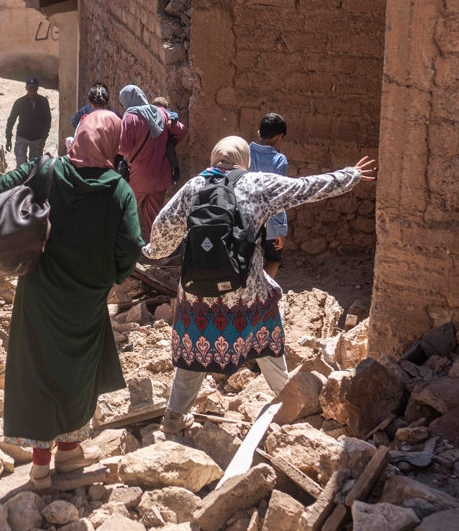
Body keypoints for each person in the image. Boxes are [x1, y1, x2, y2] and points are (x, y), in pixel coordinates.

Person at [143, 136, 376, 434]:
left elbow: (161, 238)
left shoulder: (193, 187)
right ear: (244, 159)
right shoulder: (258, 185)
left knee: (192, 356)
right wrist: (350, 175)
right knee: (267, 342)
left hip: (197, 294)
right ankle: (294, 406)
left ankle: (174, 418)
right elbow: (307, 188)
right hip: (246, 291)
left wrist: (149, 252)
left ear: (215, 157)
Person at [0, 110, 145, 490]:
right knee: (77, 371)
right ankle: (69, 450)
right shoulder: (118, 189)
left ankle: (42, 466)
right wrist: (114, 275)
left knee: (38, 369)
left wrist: (29, 218)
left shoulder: (48, 173)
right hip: (87, 297)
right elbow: (131, 246)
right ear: (112, 143)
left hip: (39, 290)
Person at [118, 84, 186, 234]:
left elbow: (124, 148)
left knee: (124, 214)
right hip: (160, 176)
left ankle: (123, 250)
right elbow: (181, 130)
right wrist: (168, 142)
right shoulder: (161, 113)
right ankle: (154, 253)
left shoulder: (130, 117)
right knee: (154, 219)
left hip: (139, 178)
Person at [249, 113, 289, 278]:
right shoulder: (280, 160)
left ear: (259, 133)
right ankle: (264, 295)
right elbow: (278, 197)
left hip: (247, 219)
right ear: (280, 137)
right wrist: (280, 229)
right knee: (273, 258)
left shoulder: (245, 152)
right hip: (269, 222)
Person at [6, 77, 52, 167]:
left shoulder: (43, 102)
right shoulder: (19, 102)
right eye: (30, 89)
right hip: (22, 137)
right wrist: (8, 138)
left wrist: (44, 137)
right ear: (26, 88)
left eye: (34, 89)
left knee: (35, 167)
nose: (32, 91)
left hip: (37, 139)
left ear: (37, 88)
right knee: (21, 167)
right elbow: (11, 120)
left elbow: (47, 120)